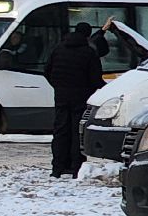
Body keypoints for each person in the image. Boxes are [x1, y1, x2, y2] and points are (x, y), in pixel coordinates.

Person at [45, 21, 106, 178]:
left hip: (61, 96)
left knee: (60, 131)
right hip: (81, 97)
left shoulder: (58, 49)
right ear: (87, 34)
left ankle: (58, 167)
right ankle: (75, 167)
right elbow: (95, 79)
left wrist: (59, 86)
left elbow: (47, 71)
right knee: (76, 132)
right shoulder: (89, 53)